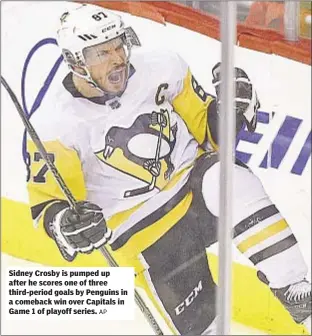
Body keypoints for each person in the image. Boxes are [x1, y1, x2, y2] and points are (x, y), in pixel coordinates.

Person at [26, 3, 311, 335]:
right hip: (143, 233)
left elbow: (209, 136)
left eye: (119, 45)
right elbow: (48, 203)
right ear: (77, 61)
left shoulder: (162, 67)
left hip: (193, 190)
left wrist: (228, 112)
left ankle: (299, 296)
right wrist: (66, 223)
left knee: (230, 177)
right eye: (102, 52)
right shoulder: (55, 126)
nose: (118, 57)